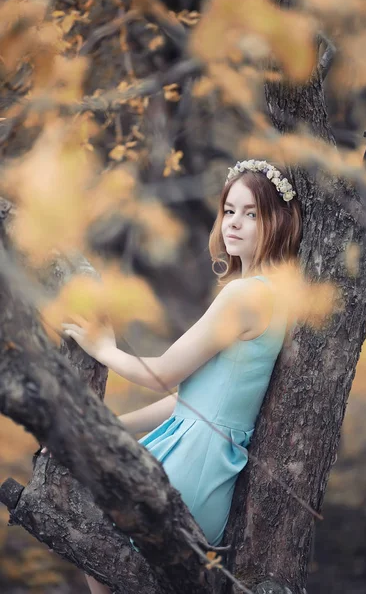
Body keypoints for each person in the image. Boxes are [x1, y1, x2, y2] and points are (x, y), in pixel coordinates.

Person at [60, 160, 302, 594]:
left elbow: (164, 374)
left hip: (197, 462)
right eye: (229, 210)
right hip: (197, 448)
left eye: (252, 214)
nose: (235, 223)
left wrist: (104, 350)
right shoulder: (265, 293)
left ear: (278, 222)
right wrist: (111, 426)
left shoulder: (248, 295)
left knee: (100, 545)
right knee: (104, 554)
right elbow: (188, 399)